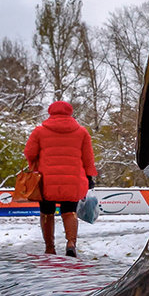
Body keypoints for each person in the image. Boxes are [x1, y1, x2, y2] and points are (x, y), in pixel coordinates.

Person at [24, 100, 97, 257]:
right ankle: (71, 243)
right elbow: (88, 158)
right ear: (70, 113)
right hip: (73, 181)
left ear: (50, 112)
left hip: (46, 181)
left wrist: (35, 164)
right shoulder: (82, 132)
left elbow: (29, 153)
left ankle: (50, 247)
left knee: (47, 212)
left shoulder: (39, 131)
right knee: (69, 211)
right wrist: (89, 177)